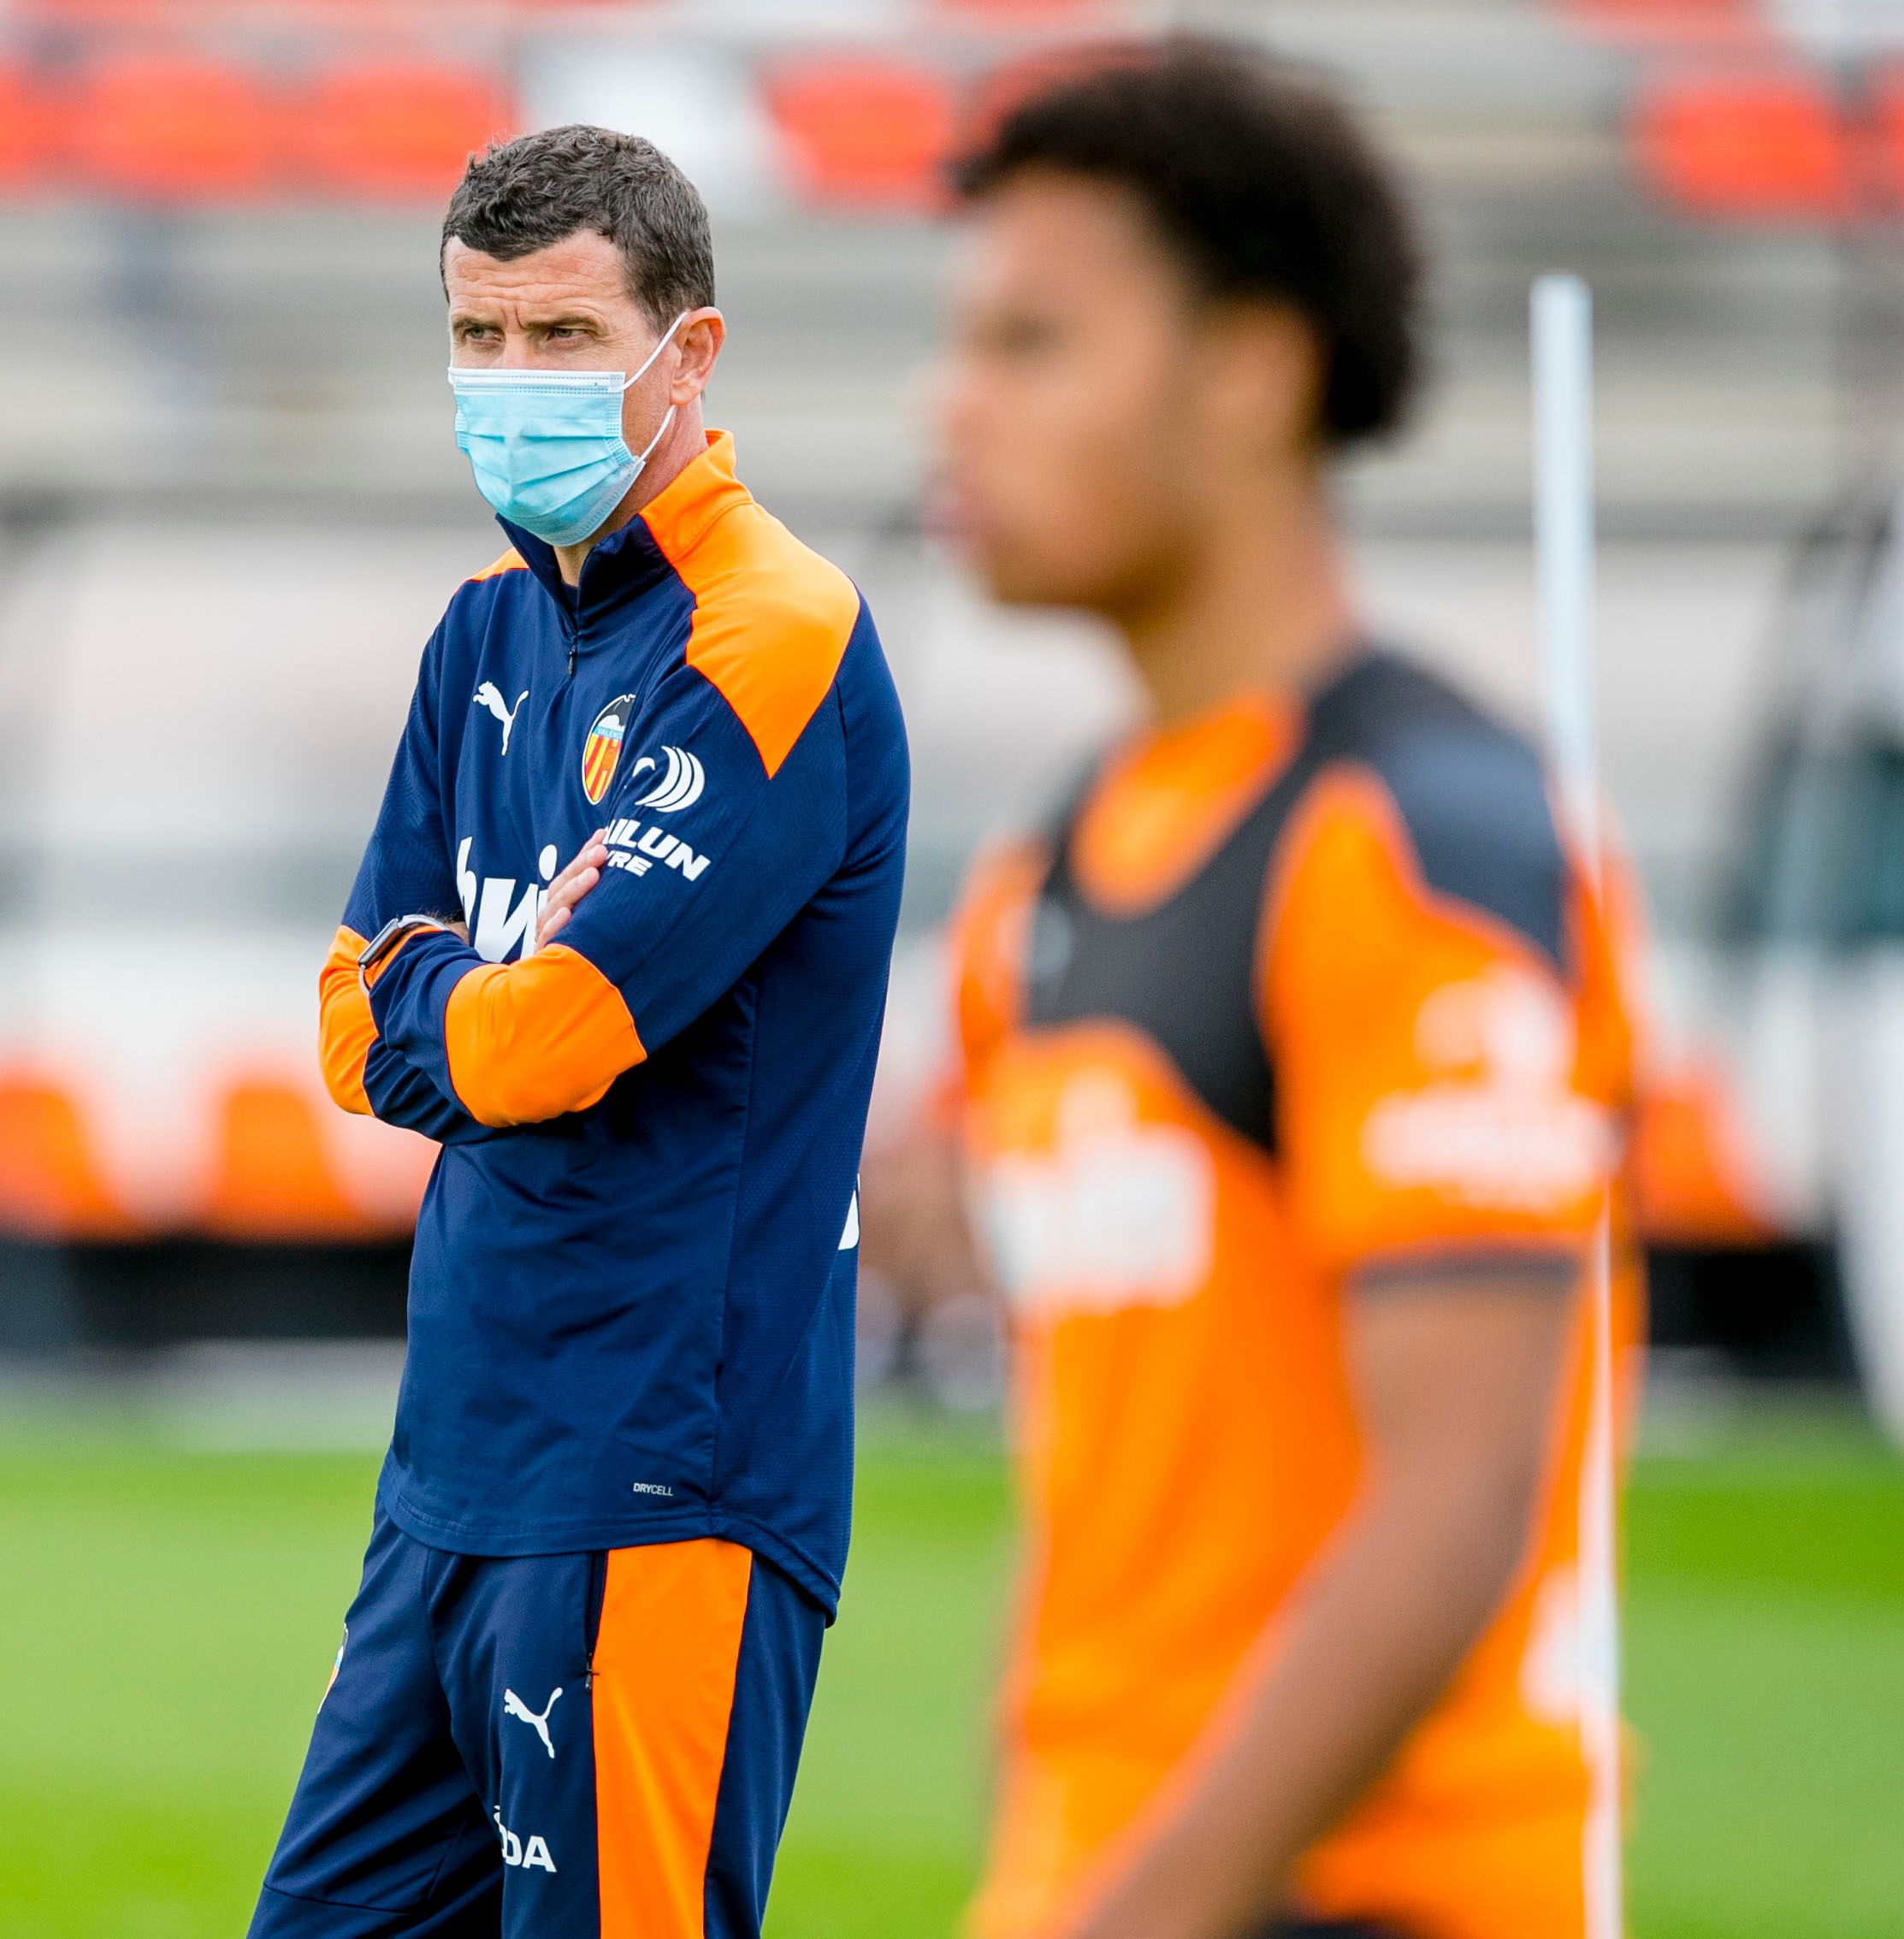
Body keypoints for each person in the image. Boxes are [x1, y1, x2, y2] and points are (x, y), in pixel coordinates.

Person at [899, 40, 1643, 1939]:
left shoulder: (1411, 840)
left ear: (1248, 368)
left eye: (1031, 344)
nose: (951, 406)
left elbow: (1454, 1497)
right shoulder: (1043, 875)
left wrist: (1148, 1911)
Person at [251, 126, 909, 1939]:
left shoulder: (769, 635)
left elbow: (543, 1043)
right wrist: (470, 1001)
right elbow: (344, 1019)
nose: (509, 382)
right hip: (450, 1474)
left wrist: (453, 1000)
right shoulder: (480, 635)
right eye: (479, 337)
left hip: (661, 1477)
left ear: (687, 356)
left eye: (561, 338)